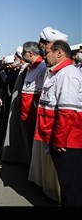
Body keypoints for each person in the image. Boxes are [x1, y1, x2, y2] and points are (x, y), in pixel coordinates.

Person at [36, 40, 82, 206]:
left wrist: (59, 139)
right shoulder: (57, 73)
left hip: (68, 141)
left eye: (47, 52)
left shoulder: (67, 74)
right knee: (67, 185)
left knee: (72, 188)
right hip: (60, 137)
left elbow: (67, 111)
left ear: (59, 53)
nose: (44, 56)